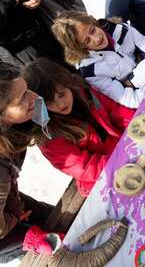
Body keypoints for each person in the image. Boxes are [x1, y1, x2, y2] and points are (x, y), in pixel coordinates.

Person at [0, 61, 53, 266]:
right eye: (23, 98)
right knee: (56, 247)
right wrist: (13, 216)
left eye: (25, 88)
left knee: (49, 217)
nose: (34, 96)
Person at [22, 58, 136, 197]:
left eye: (62, 94)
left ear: (67, 82)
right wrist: (121, 162)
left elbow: (116, 111)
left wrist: (136, 127)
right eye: (49, 102)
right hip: (102, 177)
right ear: (38, 106)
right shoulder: (48, 136)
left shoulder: (83, 89)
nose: (60, 104)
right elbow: (85, 167)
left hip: (122, 146)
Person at [52, 11, 145, 109]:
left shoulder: (121, 29)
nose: (96, 39)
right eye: (87, 41)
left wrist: (132, 81)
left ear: (93, 21)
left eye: (92, 30)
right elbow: (131, 100)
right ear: (79, 48)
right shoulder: (91, 71)